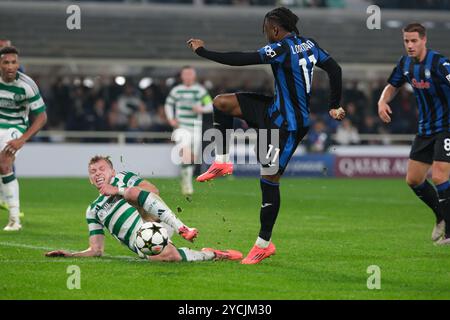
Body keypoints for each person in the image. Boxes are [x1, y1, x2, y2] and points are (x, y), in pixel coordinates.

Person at [187, 7, 345, 264]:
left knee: (269, 179)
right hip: (273, 111)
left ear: (275, 29)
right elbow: (335, 69)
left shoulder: (281, 48)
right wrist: (334, 104)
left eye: (265, 30)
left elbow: (242, 58)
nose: (265, 35)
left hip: (289, 126)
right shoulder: (309, 44)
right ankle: (223, 161)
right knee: (221, 103)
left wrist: (202, 51)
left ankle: (263, 244)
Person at [45, 156, 243, 262]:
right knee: (170, 256)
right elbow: (96, 250)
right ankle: (212, 254)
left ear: (112, 171)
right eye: (93, 172)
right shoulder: (93, 210)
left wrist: (118, 190)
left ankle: (182, 228)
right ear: (90, 179)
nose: (97, 173)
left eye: (101, 169)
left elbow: (152, 190)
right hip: (144, 244)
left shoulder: (122, 178)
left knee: (131, 192)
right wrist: (71, 255)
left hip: (156, 219)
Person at [378, 23, 450, 245]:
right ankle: (441, 216)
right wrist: (382, 101)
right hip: (425, 129)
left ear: (424, 40)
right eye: (406, 41)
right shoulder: (405, 63)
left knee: (439, 176)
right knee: (414, 179)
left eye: (414, 41)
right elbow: (392, 85)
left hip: (447, 126)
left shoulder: (440, 63)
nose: (409, 45)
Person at [0, 46, 47, 231]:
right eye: (6, 62)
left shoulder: (27, 85)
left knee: (4, 163)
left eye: (14, 62)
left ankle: (14, 219)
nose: (11, 66)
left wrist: (22, 139)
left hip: (15, 127)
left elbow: (42, 117)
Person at [164, 66, 213, 196]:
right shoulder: (176, 90)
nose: (188, 76)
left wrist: (201, 109)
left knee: (192, 158)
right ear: (182, 76)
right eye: (185, 74)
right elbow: (168, 104)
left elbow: (211, 105)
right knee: (186, 154)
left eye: (190, 74)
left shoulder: (200, 90)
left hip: (195, 127)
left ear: (194, 76)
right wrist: (171, 119)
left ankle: (185, 181)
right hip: (181, 127)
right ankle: (187, 184)